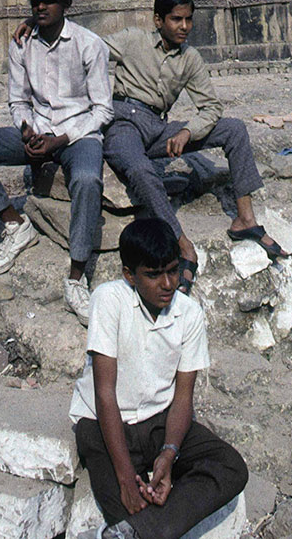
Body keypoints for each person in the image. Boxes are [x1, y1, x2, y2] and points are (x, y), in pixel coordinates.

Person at [70, 217, 248, 539]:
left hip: (159, 423)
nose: (167, 284)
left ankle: (138, 531)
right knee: (131, 504)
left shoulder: (189, 313)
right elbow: (105, 394)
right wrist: (126, 478)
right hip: (104, 424)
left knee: (231, 467)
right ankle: (146, 526)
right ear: (129, 275)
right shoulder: (110, 299)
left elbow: (183, 398)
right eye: (153, 275)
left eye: (172, 270)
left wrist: (169, 454)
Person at [101, 0, 284, 293]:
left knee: (234, 128)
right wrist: (40, 29)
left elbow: (211, 107)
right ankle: (182, 245)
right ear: (158, 20)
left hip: (159, 128)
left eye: (188, 20)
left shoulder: (190, 58)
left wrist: (188, 132)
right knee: (140, 169)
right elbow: (86, 49)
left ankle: (245, 219)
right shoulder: (133, 39)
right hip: (123, 123)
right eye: (176, 20)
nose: (184, 27)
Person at [0, 0, 112, 322]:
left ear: (66, 5)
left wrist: (61, 139)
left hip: (77, 134)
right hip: (38, 131)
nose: (40, 6)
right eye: (35, 2)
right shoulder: (21, 43)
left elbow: (102, 109)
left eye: (49, 0)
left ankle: (76, 276)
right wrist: (26, 129)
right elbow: (17, 101)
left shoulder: (89, 44)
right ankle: (15, 225)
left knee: (87, 180)